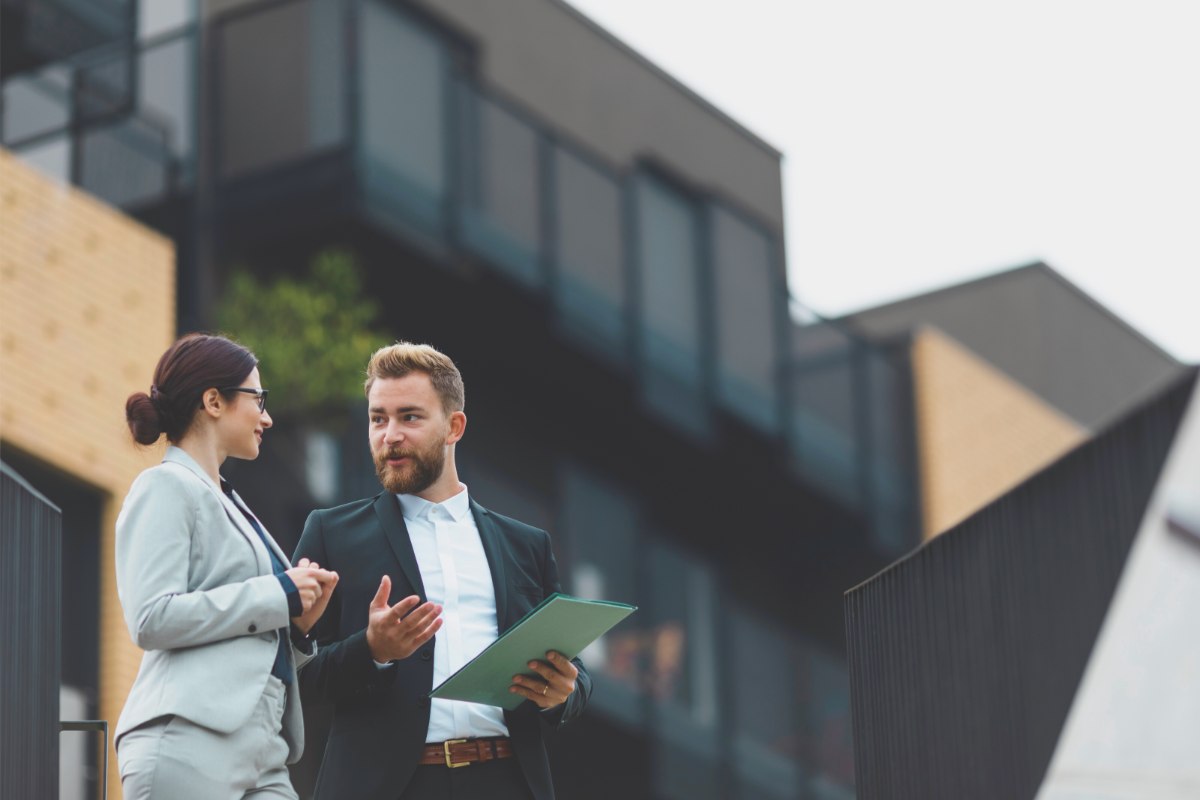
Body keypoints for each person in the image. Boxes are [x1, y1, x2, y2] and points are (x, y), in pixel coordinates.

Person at [294, 342, 590, 800]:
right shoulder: (330, 533)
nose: (389, 434)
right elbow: (290, 675)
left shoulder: (526, 545)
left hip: (506, 780)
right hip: (388, 787)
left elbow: (573, 669)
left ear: (454, 426)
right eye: (378, 419)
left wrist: (565, 692)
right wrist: (371, 649)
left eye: (409, 417)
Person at [114, 333, 339, 799]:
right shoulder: (165, 486)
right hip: (189, 740)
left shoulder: (230, 502)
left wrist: (295, 627)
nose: (268, 416)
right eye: (259, 398)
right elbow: (150, 617)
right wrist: (279, 594)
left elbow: (247, 641)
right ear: (213, 401)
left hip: (266, 751)